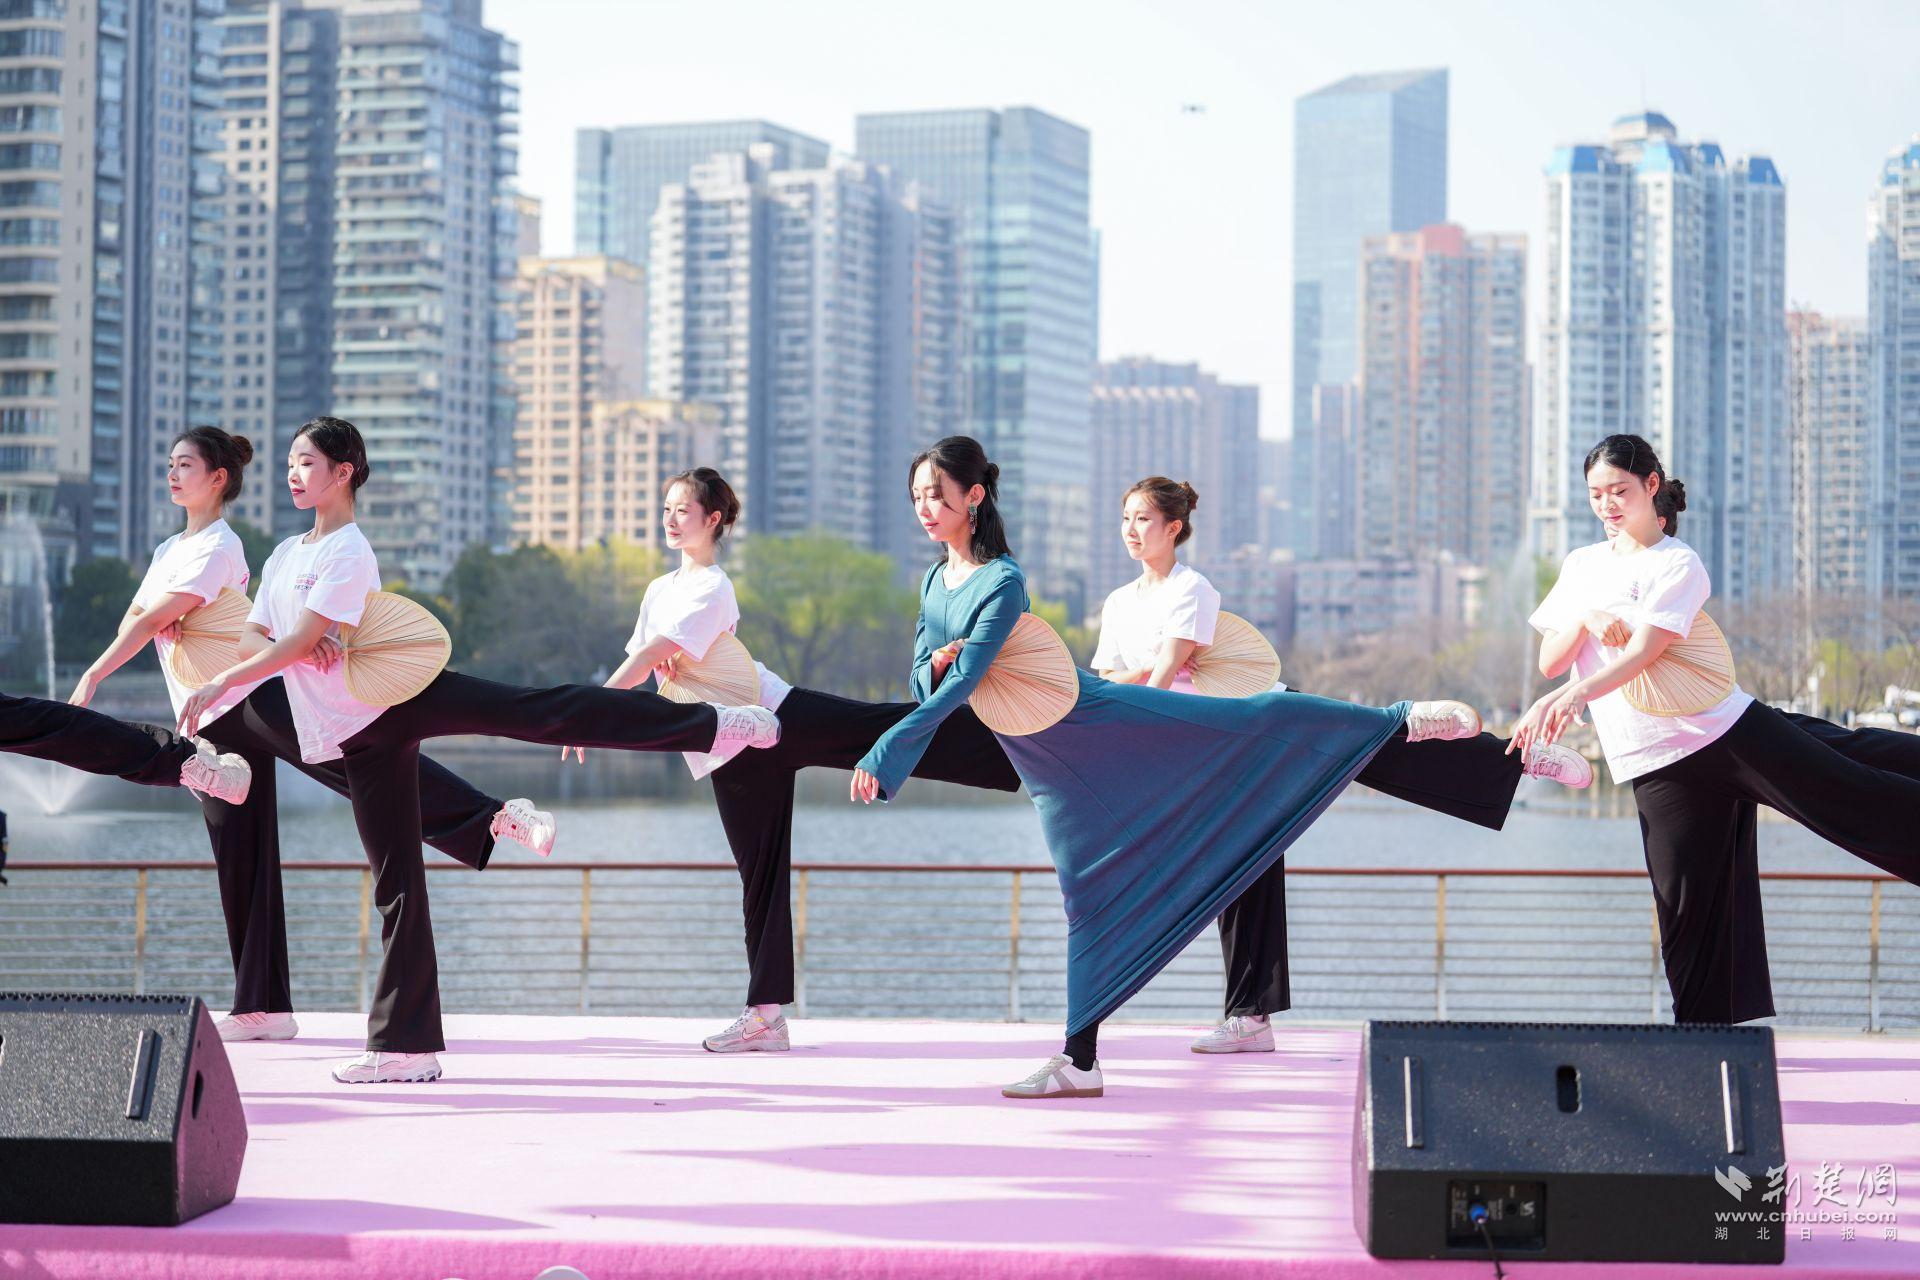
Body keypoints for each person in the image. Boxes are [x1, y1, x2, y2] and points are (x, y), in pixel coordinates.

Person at [850, 437, 1485, 1099]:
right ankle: (1083, 1062)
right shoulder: (933, 582)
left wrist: (889, 750)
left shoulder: (1003, 581)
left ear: (974, 496)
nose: (925, 508)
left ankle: (1401, 719)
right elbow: (926, 680)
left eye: (936, 494)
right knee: (1087, 894)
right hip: (1043, 752)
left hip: (1091, 718)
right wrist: (933, 665)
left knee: (1267, 716)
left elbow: (967, 681)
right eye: (917, 496)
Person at [178, 418, 781, 1084]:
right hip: (350, 732)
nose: (294, 474)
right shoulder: (286, 555)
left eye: (307, 462)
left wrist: (241, 672)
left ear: (344, 472)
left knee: (541, 711)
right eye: (291, 462)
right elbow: (256, 636)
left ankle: (716, 725)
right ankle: (407, 1049)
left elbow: (290, 641)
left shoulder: (348, 550)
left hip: (397, 696)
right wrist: (285, 646)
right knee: (396, 885)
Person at [71, 425, 547, 1045]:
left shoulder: (219, 545)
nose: (172, 473)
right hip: (207, 714)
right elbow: (138, 618)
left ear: (218, 479)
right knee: (239, 852)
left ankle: (493, 815)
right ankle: (262, 1006)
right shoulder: (167, 550)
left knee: (357, 766)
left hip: (252, 695)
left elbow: (150, 621)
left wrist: (95, 673)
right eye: (170, 463)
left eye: (185, 464)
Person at [1092, 475, 1591, 1055]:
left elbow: (1161, 678)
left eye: (1143, 519)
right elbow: (1109, 679)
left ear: (1173, 527)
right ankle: (1250, 1018)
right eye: (1125, 518)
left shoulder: (1191, 588)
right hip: (1204, 751)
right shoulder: (1119, 603)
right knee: (1242, 863)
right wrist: (1136, 682)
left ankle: (1481, 747)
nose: (1131, 530)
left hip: (1254, 723)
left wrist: (1138, 684)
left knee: (1361, 754)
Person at [570, 467, 1021, 1054]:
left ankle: (1015, 750)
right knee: (759, 877)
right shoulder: (659, 590)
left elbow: (659, 651)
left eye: (684, 510)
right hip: (727, 746)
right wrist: (600, 710)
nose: (671, 519)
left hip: (774, 715)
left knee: (879, 726)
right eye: (666, 509)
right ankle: (766, 1017)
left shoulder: (713, 586)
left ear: (713, 520)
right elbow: (642, 657)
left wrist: (591, 710)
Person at [1515, 433, 1920, 1023]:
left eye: (1619, 490)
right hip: (1654, 760)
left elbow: (1646, 652)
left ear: (1651, 485)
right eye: (1596, 494)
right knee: (1684, 906)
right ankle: (1706, 1040)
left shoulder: (1676, 562)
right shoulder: (1582, 566)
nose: (1607, 504)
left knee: (1848, 789)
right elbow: (1551, 660)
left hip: (1724, 733)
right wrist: (1586, 615)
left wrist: (1577, 692)